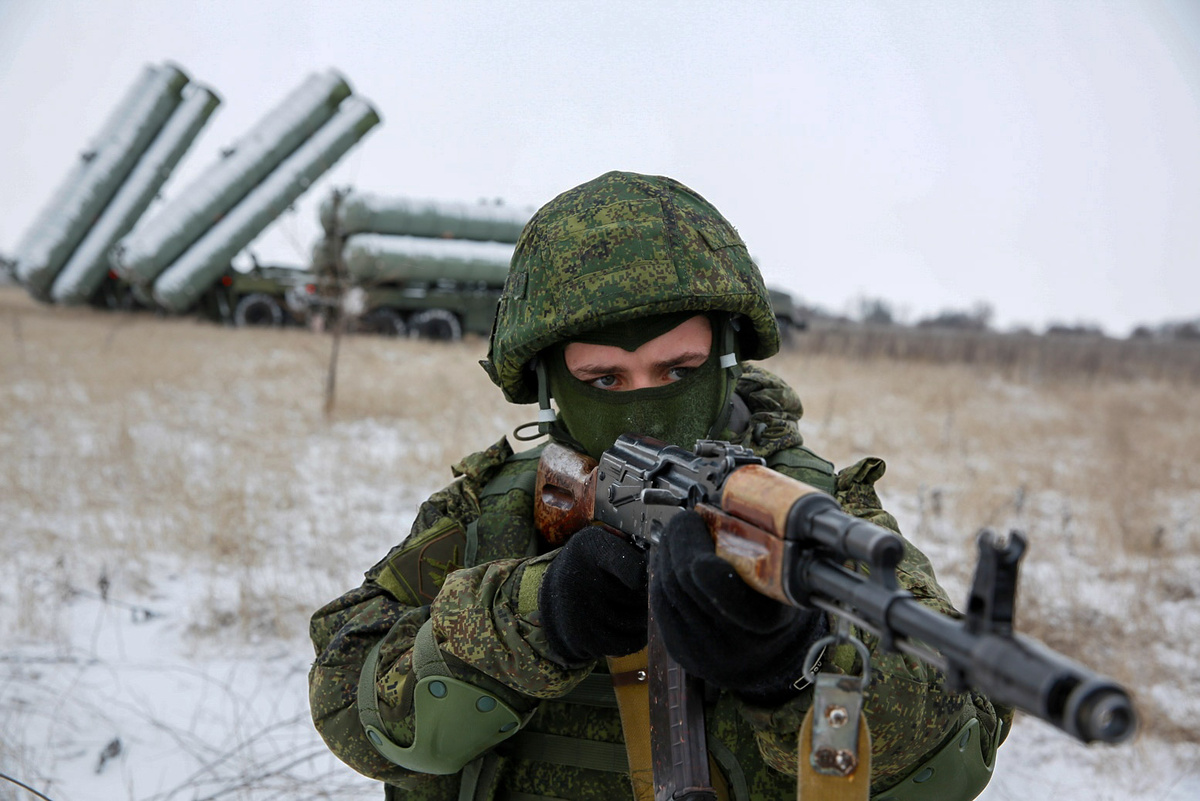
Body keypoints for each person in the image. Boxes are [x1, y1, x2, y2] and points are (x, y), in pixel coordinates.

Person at [309, 171, 1009, 801]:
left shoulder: (806, 508)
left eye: (678, 371)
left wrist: (799, 661)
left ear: (726, 360)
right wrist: (537, 613)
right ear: (552, 388)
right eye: (604, 381)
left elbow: (956, 753)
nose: (644, 408)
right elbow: (347, 695)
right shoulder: (495, 507)